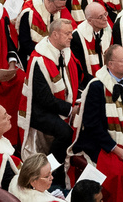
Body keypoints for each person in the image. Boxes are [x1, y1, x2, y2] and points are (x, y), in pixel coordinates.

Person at [72, 44, 123, 202]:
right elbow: (92, 125)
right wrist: (116, 150)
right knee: (118, 174)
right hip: (105, 143)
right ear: (110, 64)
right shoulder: (97, 87)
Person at [18, 19, 78, 181]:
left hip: (59, 104)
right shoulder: (39, 59)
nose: (71, 37)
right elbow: (44, 99)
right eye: (67, 33)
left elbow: (72, 80)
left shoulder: (65, 52)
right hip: (39, 110)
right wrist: (70, 109)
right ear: (55, 34)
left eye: (71, 33)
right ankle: (52, 171)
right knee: (65, 133)